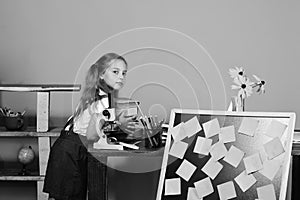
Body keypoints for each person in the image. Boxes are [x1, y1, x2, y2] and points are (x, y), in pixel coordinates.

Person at [43, 53, 137, 200]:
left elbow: (100, 123)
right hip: (71, 151)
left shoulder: (101, 94)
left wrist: (118, 121)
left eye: (124, 73)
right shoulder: (101, 100)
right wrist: (120, 125)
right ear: (101, 74)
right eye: (115, 72)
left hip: (70, 148)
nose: (121, 77)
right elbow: (92, 135)